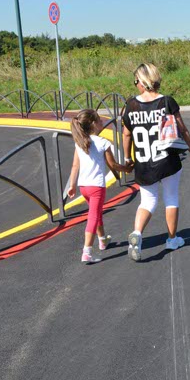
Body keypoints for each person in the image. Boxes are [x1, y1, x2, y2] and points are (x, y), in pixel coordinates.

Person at [122, 63, 190, 262]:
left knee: (147, 201)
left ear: (141, 82)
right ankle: (172, 239)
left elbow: (126, 134)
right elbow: (183, 130)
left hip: (143, 162)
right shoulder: (167, 102)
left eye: (135, 82)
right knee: (171, 198)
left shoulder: (130, 105)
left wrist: (127, 158)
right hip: (167, 160)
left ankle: (138, 234)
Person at [67, 109, 131, 264]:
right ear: (93, 124)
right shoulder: (102, 142)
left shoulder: (80, 142)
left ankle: (102, 240)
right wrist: (127, 169)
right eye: (100, 120)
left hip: (84, 186)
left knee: (96, 213)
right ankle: (87, 252)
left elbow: (75, 166)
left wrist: (72, 185)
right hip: (96, 187)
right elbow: (113, 165)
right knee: (93, 216)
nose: (103, 122)